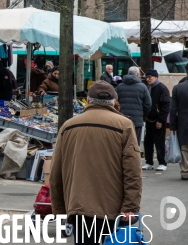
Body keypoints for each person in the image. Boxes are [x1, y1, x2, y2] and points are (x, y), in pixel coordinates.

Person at [50, 81, 142, 245]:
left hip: (79, 205)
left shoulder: (68, 126)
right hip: (112, 205)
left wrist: (59, 210)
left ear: (87, 100)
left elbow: (56, 172)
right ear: (114, 100)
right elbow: (133, 171)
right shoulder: (124, 125)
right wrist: (130, 206)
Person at [116, 66, 151, 146]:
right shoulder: (143, 87)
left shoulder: (119, 87)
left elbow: (114, 102)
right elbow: (148, 104)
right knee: (135, 144)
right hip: (137, 121)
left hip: (122, 120)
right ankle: (133, 158)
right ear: (138, 74)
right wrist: (142, 116)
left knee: (122, 144)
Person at [143, 69, 170, 171]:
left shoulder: (162, 88)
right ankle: (149, 161)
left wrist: (161, 120)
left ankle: (162, 162)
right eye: (147, 77)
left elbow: (166, 105)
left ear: (156, 77)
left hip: (158, 119)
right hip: (149, 118)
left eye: (150, 77)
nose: (148, 79)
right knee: (148, 141)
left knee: (159, 142)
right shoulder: (147, 88)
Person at [169, 79, 188, 180]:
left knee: (184, 148)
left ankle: (185, 172)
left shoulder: (178, 88)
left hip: (183, 121)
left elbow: (173, 109)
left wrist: (173, 126)